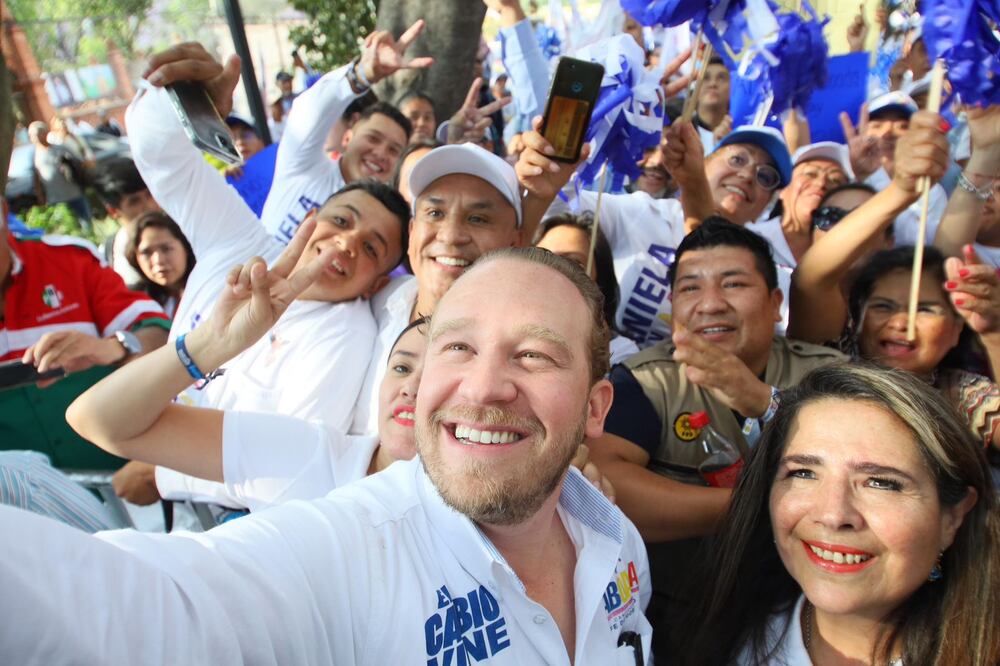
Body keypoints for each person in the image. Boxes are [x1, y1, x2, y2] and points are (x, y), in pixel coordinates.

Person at [3, 247, 653, 664]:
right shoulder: (344, 549)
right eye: (456, 348)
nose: (483, 387)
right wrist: (203, 346)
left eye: (534, 355)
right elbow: (132, 612)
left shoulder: (616, 539)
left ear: (596, 408)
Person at [588, 219, 844, 656]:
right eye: (690, 288)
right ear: (672, 305)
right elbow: (609, 489)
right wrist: (764, 508)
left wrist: (763, 400)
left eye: (733, 284)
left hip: (815, 616)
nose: (710, 304)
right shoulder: (644, 381)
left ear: (776, 303)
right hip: (680, 619)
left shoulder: (825, 372)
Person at [680, 363, 998, 666]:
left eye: (880, 483)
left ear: (952, 518)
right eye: (803, 473)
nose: (833, 515)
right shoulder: (726, 638)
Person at [522, 113, 793, 347]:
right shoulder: (641, 213)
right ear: (706, 160)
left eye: (766, 176)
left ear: (769, 202)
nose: (747, 175)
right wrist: (552, 164)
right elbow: (556, 209)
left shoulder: (767, 271)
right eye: (737, 159)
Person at [0, 214, 170, 471]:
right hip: (17, 494)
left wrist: (114, 348)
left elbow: (161, 335)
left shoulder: (69, 259)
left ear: (3, 211)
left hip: (130, 477)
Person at [260, 23, 428, 244]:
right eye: (373, 138)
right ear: (347, 138)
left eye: (393, 150)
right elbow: (309, 111)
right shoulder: (303, 168)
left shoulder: (387, 221)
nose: (380, 153)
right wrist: (362, 75)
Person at [533, 212, 639, 364]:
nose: (554, 271)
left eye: (573, 263)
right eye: (541, 259)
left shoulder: (620, 352)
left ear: (599, 281)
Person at [747, 142, 852, 267]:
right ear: (782, 189)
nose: (821, 183)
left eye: (835, 180)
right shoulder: (750, 237)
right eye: (810, 174)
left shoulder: (846, 255)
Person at [92, 156, 162, 287]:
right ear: (113, 211)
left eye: (149, 194)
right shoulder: (107, 255)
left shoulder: (187, 233)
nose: (149, 206)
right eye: (134, 201)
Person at [126, 211, 195, 318]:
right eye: (146, 253)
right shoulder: (136, 304)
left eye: (166, 249)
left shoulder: (210, 287)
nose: (158, 260)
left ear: (186, 248)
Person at [27, 120, 93, 228]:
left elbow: (80, 164)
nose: (35, 138)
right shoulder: (34, 156)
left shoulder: (61, 148)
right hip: (55, 199)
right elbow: (36, 178)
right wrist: (40, 196)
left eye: (38, 134)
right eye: (32, 136)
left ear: (45, 132)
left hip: (73, 193)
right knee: (67, 226)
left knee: (86, 222)